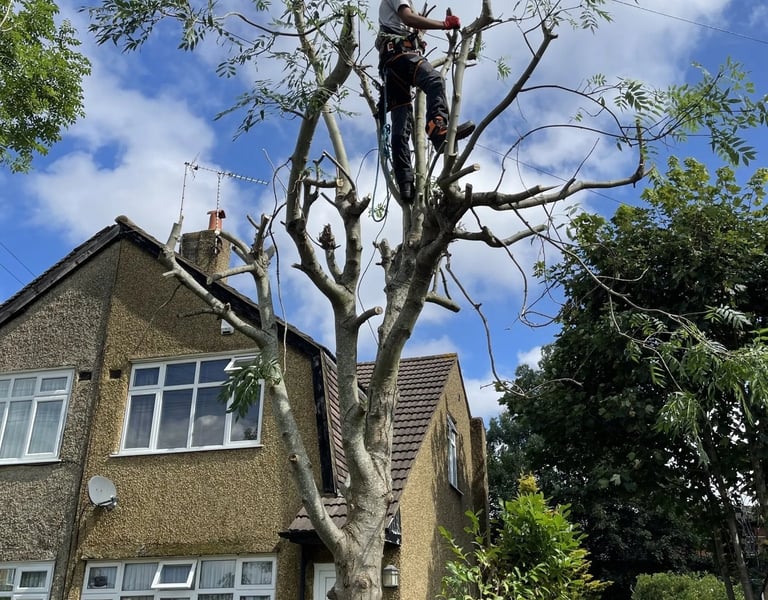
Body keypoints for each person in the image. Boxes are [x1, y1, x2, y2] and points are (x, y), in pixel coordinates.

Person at [377, 0, 475, 202]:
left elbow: (406, 23)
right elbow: (407, 17)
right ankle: (437, 129)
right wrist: (444, 24)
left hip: (392, 63)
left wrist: (418, 39)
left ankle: (405, 183)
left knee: (401, 126)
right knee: (435, 80)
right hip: (400, 56)